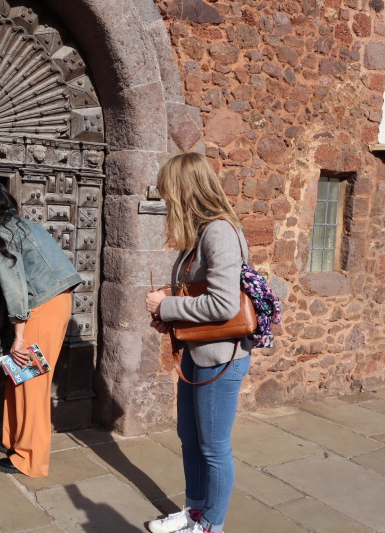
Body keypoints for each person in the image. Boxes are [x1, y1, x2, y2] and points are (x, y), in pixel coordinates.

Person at [144, 153, 253, 533]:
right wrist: (169, 317)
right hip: (198, 353)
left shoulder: (220, 232)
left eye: (168, 194)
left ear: (184, 191)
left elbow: (223, 302)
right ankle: (194, 512)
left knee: (213, 447)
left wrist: (168, 304)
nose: (166, 203)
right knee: (190, 439)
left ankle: (210, 526)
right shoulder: (200, 234)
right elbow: (199, 294)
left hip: (221, 358)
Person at [0, 178, 81, 477]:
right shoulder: (29, 225)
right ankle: (13, 439)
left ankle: (30, 459)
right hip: (55, 303)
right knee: (20, 376)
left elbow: (15, 288)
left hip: (39, 307)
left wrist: (18, 336)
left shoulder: (1, 233)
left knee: (31, 382)